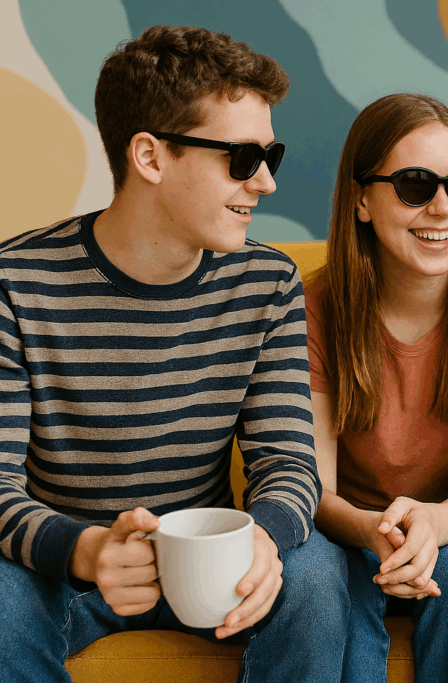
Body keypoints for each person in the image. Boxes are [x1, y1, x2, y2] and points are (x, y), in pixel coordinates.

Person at [0, 25, 348, 682]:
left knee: (318, 574)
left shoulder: (266, 282)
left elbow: (289, 463)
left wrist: (262, 537)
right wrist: (88, 549)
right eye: (242, 159)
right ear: (151, 157)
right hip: (69, 569)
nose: (267, 182)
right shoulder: (16, 283)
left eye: (269, 154)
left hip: (214, 565)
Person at [305, 92, 448, 683]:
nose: (443, 208)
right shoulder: (310, 305)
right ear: (362, 199)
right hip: (345, 528)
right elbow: (317, 491)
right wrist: (376, 532)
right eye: (415, 185)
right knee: (319, 574)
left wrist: (432, 526)